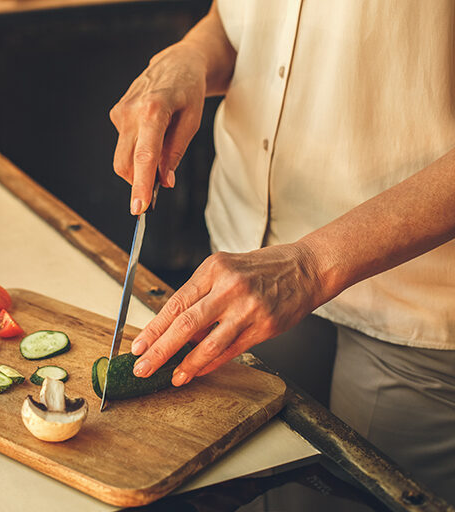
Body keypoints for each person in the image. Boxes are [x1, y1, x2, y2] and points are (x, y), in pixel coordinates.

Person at [109, 0, 455, 503]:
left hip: (416, 296)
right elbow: (242, 25)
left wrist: (310, 265)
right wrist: (192, 55)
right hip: (243, 263)